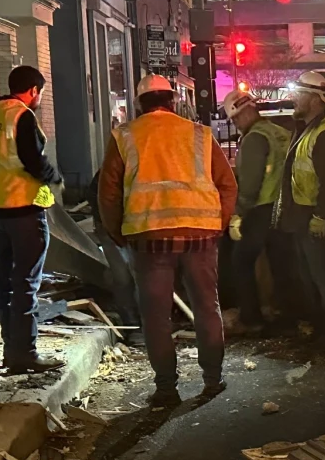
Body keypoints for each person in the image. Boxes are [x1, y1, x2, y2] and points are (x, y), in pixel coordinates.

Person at [98, 74, 237, 406]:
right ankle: (213, 379)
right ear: (173, 101)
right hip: (200, 235)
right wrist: (217, 224)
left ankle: (165, 389)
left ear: (138, 104)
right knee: (206, 307)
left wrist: (119, 233)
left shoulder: (125, 136)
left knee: (156, 315)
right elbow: (227, 184)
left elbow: (108, 194)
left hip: (149, 238)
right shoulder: (200, 135)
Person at [0, 65, 65, 374]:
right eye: (40, 93)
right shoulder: (22, 116)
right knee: (26, 281)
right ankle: (24, 352)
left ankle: (12, 348)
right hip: (25, 210)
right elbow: (32, 160)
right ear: (33, 90)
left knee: (4, 280)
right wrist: (54, 177)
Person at [278, 71, 325, 351]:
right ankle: (321, 329)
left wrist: (321, 216)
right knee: (312, 278)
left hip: (321, 218)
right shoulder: (306, 130)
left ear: (316, 99)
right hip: (304, 216)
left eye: (300, 93)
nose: (294, 98)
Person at [221, 88, 293, 335]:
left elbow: (250, 185)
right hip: (287, 208)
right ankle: (285, 315)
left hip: (263, 209)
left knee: (241, 261)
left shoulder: (254, 139)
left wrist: (238, 213)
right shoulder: (281, 133)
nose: (237, 125)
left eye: (235, 119)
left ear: (243, 113)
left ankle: (251, 318)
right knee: (281, 264)